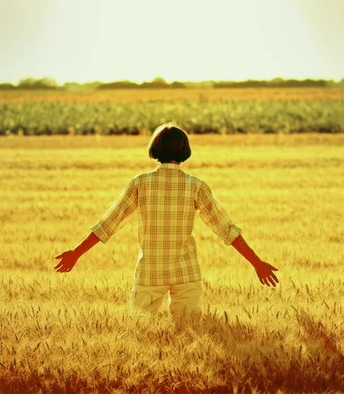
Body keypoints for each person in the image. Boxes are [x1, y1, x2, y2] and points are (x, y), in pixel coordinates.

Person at [55, 123, 278, 316]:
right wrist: (257, 263)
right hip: (187, 273)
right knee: (191, 333)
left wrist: (76, 253)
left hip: (150, 272)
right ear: (185, 150)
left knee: (140, 334)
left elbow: (108, 224)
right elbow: (226, 229)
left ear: (155, 149)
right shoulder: (196, 186)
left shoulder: (140, 183)